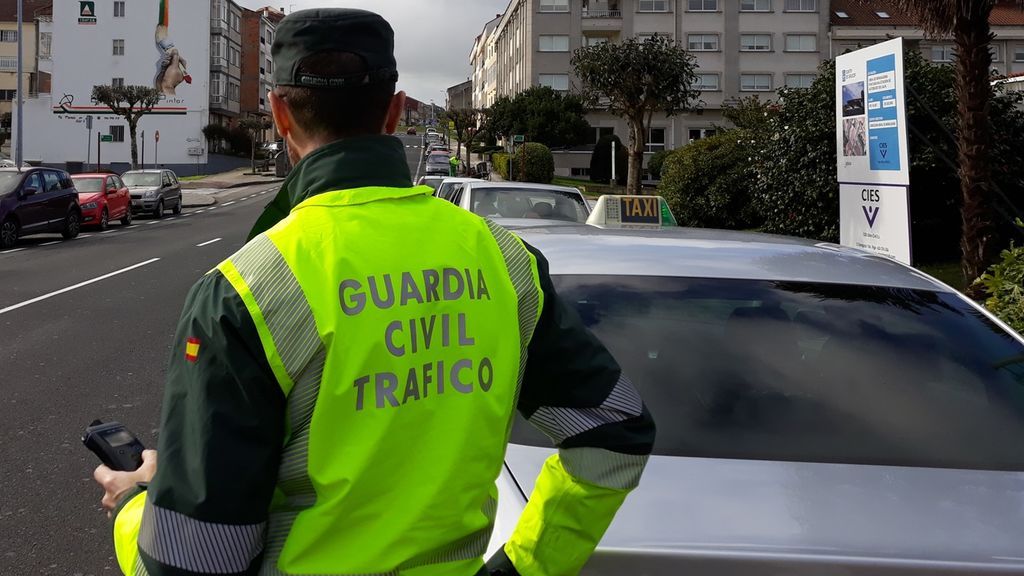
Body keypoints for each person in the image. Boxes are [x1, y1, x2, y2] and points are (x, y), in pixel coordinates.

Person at [93, 8, 655, 576]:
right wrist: (524, 567)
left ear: (279, 113)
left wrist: (135, 506)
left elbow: (193, 563)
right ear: (392, 110)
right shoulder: (503, 260)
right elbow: (615, 433)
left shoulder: (244, 291)